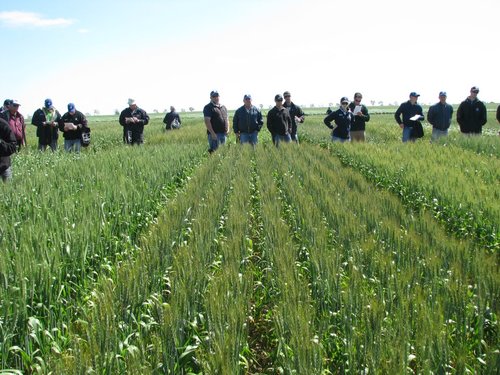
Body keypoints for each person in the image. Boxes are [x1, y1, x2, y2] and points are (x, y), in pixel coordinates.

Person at [0, 117, 17, 182]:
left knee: (8, 191)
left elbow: (12, 147)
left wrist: (1, 142)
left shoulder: (3, 124)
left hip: (3, 168)